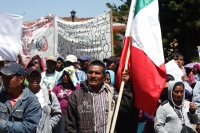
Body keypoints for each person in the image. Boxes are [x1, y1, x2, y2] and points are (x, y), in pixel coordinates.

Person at [65, 60, 133, 133]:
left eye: (97, 73)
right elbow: (70, 126)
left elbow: (125, 108)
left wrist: (126, 85)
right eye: (90, 72)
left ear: (104, 76)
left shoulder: (111, 93)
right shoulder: (76, 95)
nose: (93, 76)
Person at [0, 62, 41, 132]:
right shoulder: (1, 96)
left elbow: (28, 128)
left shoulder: (32, 102)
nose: (5, 81)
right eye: (4, 78)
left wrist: (2, 124)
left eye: (9, 78)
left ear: (21, 79)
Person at [26, 66, 62, 133]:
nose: (35, 78)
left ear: (41, 77)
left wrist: (48, 125)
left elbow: (57, 113)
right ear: (27, 78)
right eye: (32, 76)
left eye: (37, 76)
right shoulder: (22, 94)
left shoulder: (49, 94)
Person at [52, 66, 80, 133]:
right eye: (63, 75)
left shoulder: (77, 88)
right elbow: (51, 100)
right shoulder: (57, 88)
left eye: (67, 75)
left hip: (72, 115)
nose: (65, 77)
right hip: (59, 114)